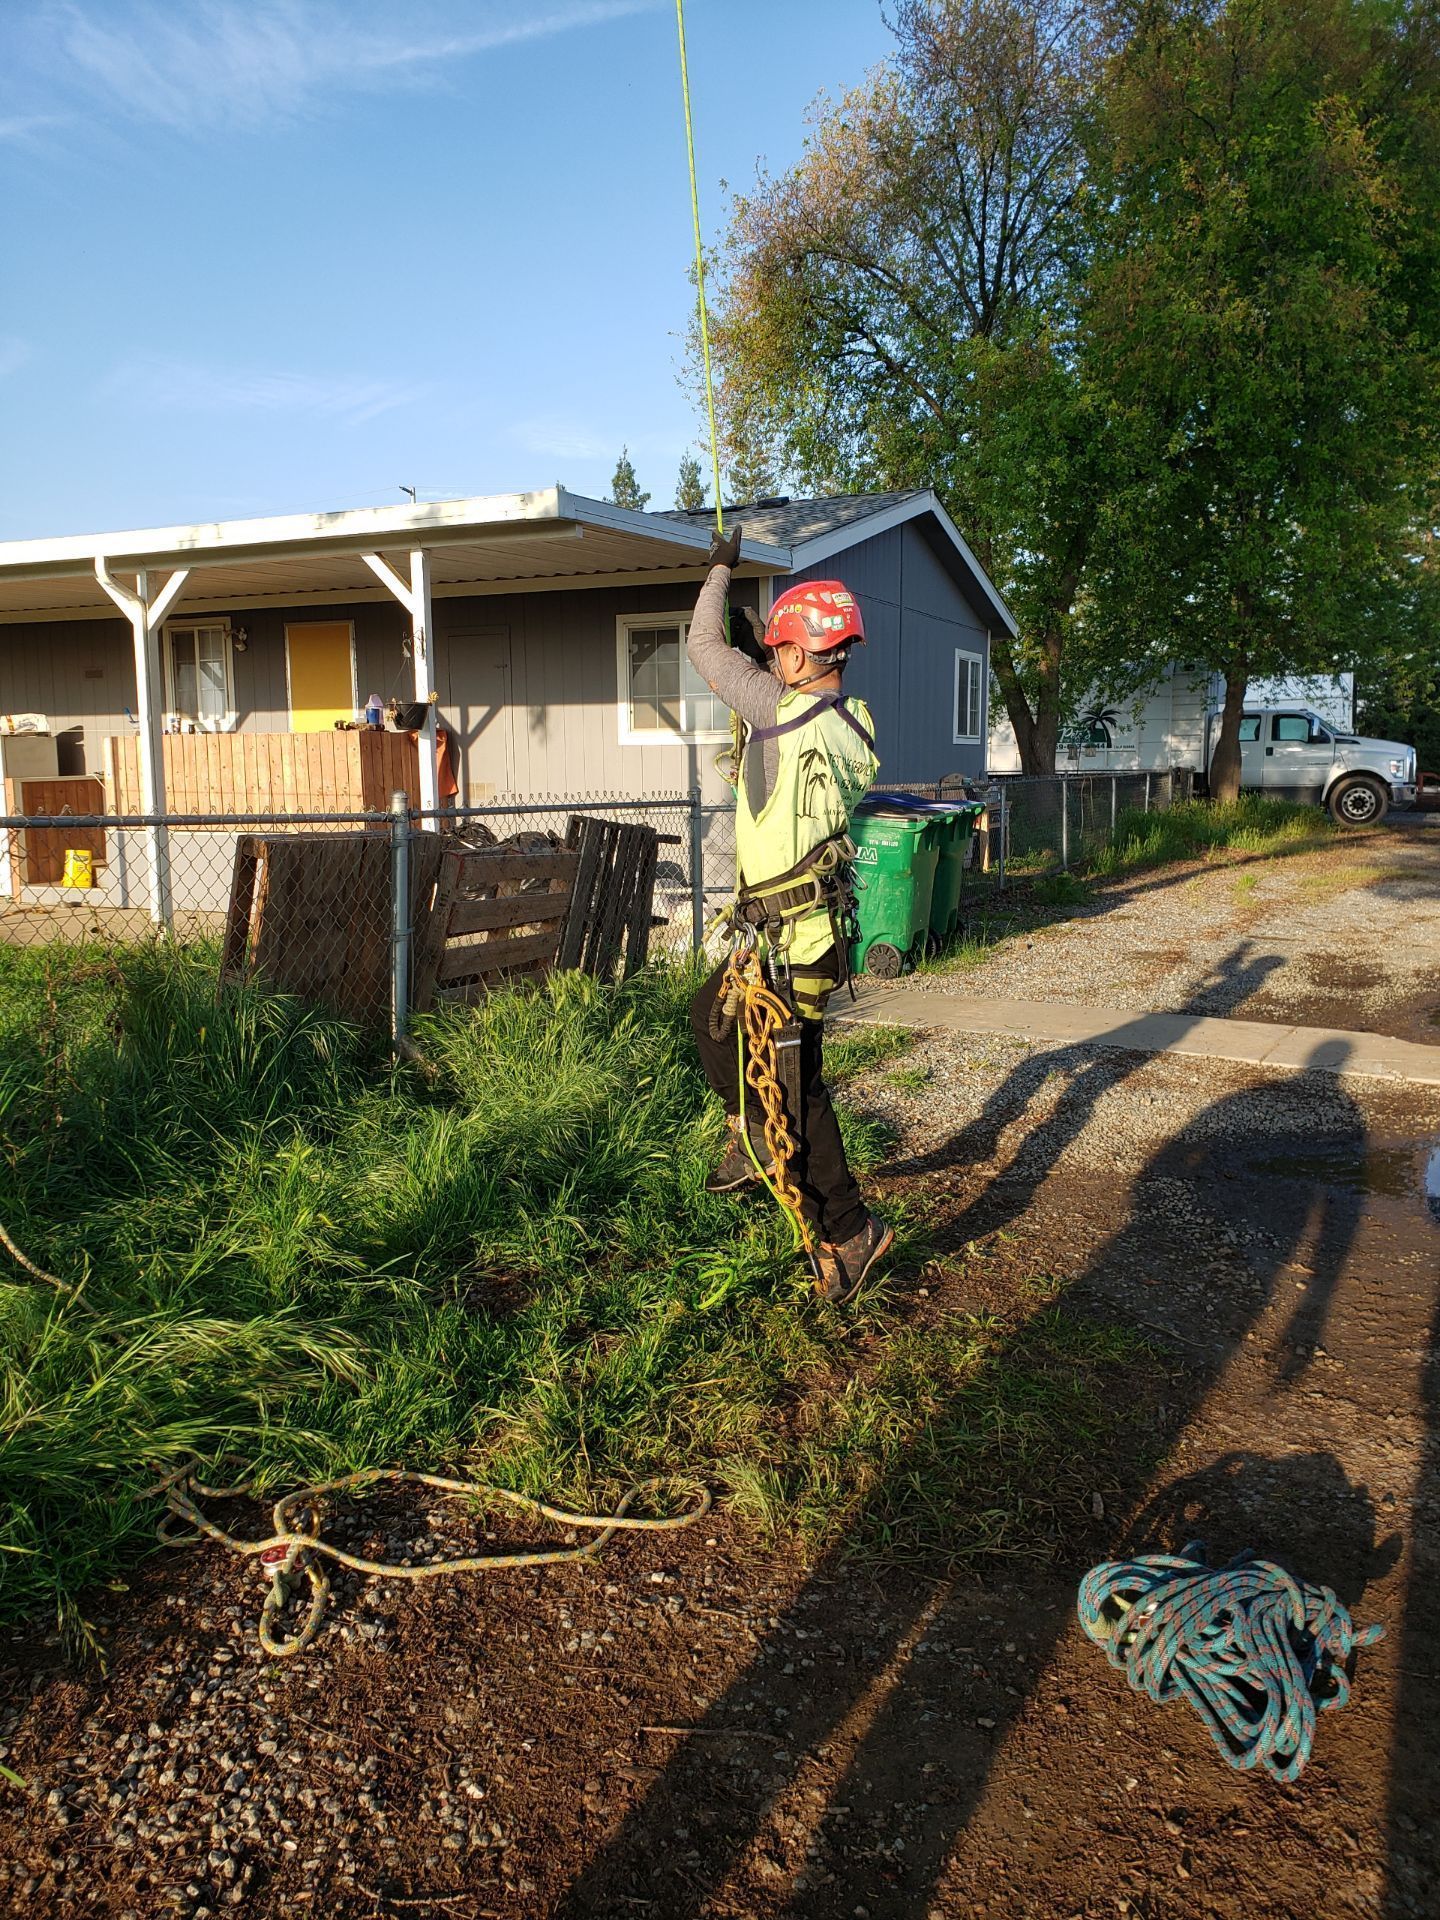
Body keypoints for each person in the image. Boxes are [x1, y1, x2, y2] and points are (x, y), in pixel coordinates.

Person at [688, 523, 893, 1306]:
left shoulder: (781, 708)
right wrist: (759, 656)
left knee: (795, 1089)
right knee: (715, 1018)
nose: (771, 662)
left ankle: (848, 1229)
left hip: (790, 942)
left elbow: (707, 648)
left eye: (779, 651)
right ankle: (749, 1136)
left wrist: (719, 568)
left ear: (802, 657)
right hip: (809, 935)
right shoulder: (850, 726)